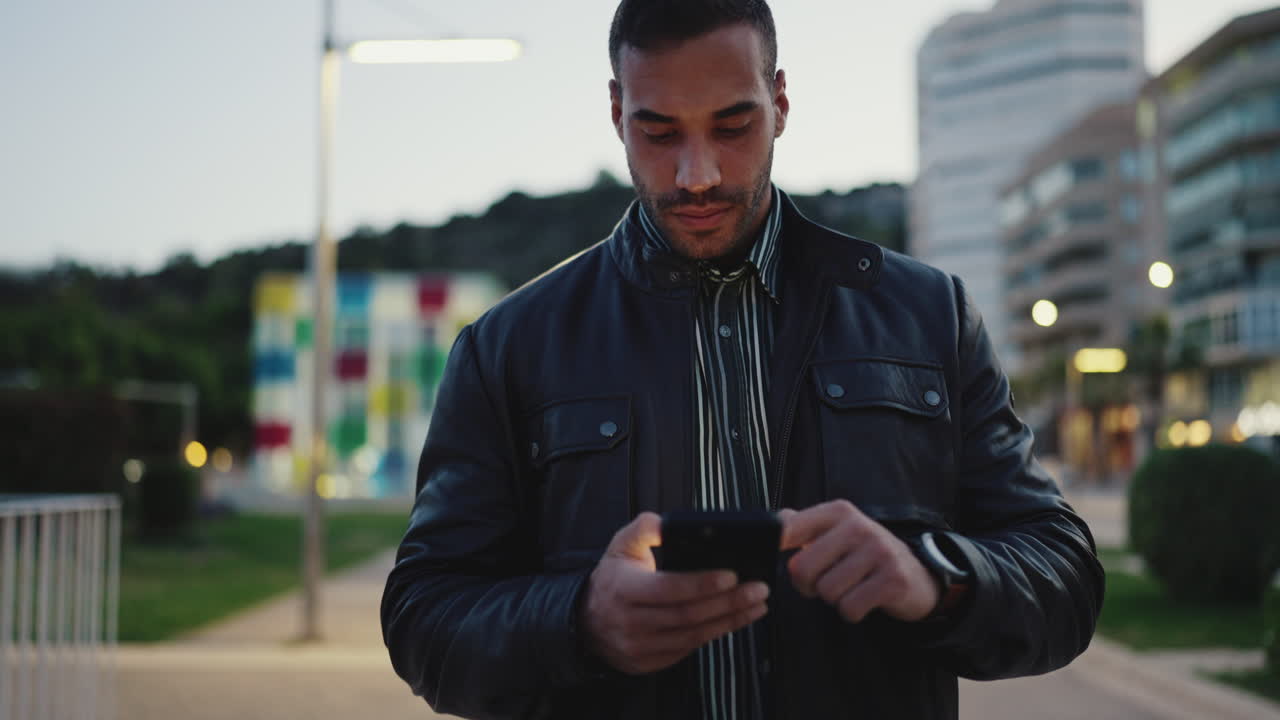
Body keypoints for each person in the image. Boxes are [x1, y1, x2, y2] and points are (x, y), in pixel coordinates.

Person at [381, 0, 1104, 718]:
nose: (697, 175)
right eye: (658, 132)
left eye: (733, 125)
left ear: (780, 102)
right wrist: (578, 618)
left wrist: (937, 576)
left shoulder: (928, 314)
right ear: (615, 111)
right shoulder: (507, 346)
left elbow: (1064, 576)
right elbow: (424, 620)